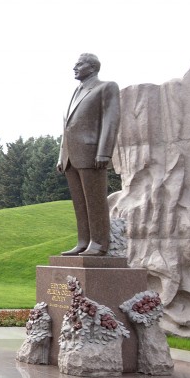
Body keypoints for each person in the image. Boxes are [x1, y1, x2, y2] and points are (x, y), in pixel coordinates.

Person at [57, 53, 120, 256]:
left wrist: (104, 152)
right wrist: (61, 155)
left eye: (79, 64)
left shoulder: (106, 87)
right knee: (79, 203)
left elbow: (111, 120)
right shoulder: (76, 92)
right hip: (71, 157)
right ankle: (83, 242)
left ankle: (99, 244)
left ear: (92, 67)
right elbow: (67, 127)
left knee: (95, 202)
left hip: (92, 153)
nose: (74, 68)